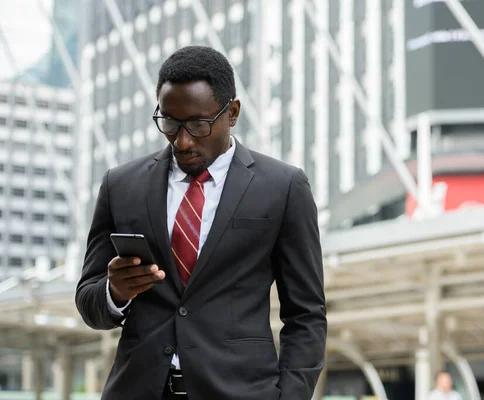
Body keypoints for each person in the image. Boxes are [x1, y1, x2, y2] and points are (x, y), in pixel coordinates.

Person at [75, 46, 327, 400]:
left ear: (233, 112)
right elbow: (89, 302)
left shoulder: (283, 188)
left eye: (198, 124)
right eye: (169, 122)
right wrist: (115, 292)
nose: (183, 140)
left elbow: (306, 315)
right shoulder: (121, 185)